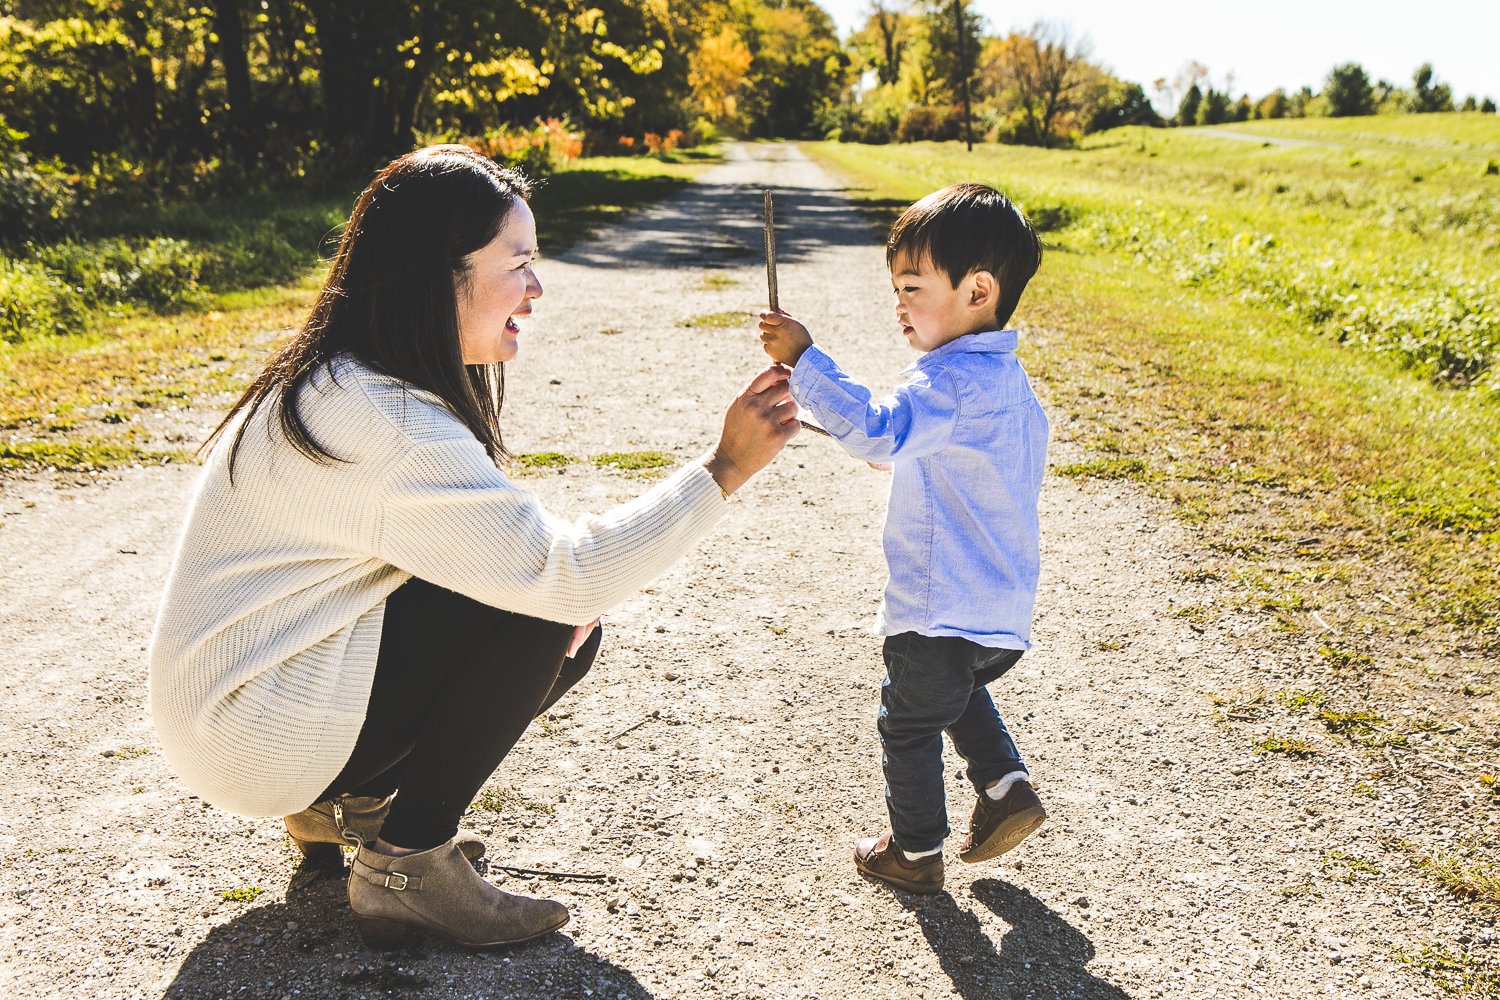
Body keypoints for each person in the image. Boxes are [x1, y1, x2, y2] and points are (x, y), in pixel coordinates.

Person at [149, 145, 799, 950]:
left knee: (512, 585)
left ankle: (340, 807)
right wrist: (725, 467)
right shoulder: (387, 423)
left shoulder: (343, 378)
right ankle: (406, 864)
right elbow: (564, 575)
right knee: (545, 610)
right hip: (254, 733)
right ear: (438, 273)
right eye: (518, 262)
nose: (536, 286)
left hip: (237, 707)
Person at [756, 182, 1049, 895]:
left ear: (979, 290)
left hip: (936, 601)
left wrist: (806, 361)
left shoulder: (945, 383)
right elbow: (927, 449)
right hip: (997, 613)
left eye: (913, 286)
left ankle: (914, 854)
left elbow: (885, 427)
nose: (900, 303)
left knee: (907, 721)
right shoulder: (1010, 385)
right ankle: (1006, 786)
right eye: (897, 287)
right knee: (949, 692)